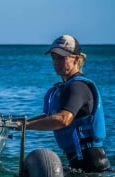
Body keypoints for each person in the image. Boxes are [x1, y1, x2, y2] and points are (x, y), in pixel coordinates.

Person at [15, 34, 111, 172]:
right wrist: (22, 122)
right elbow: (51, 115)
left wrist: (26, 126)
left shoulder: (78, 86)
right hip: (80, 162)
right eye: (54, 57)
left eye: (62, 57)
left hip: (93, 165)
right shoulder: (67, 86)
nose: (56, 62)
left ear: (76, 59)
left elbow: (63, 119)